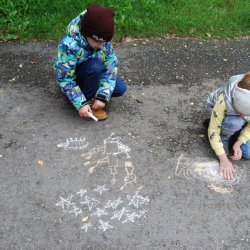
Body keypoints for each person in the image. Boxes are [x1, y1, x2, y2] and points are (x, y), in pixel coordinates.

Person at [54, 4, 127, 120]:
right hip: (78, 75)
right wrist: (80, 103)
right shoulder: (69, 45)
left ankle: (86, 93)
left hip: (93, 73)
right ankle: (86, 100)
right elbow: (64, 78)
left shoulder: (102, 39)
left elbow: (110, 65)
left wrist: (103, 96)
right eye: (98, 43)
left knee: (119, 89)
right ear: (87, 34)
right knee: (95, 66)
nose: (102, 47)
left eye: (105, 43)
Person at [205, 73, 250, 180]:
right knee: (235, 122)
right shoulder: (223, 101)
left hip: (238, 122)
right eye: (241, 112)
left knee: (247, 153)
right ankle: (224, 137)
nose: (244, 116)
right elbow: (213, 130)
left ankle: (233, 138)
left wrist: (239, 142)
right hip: (226, 118)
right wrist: (223, 159)